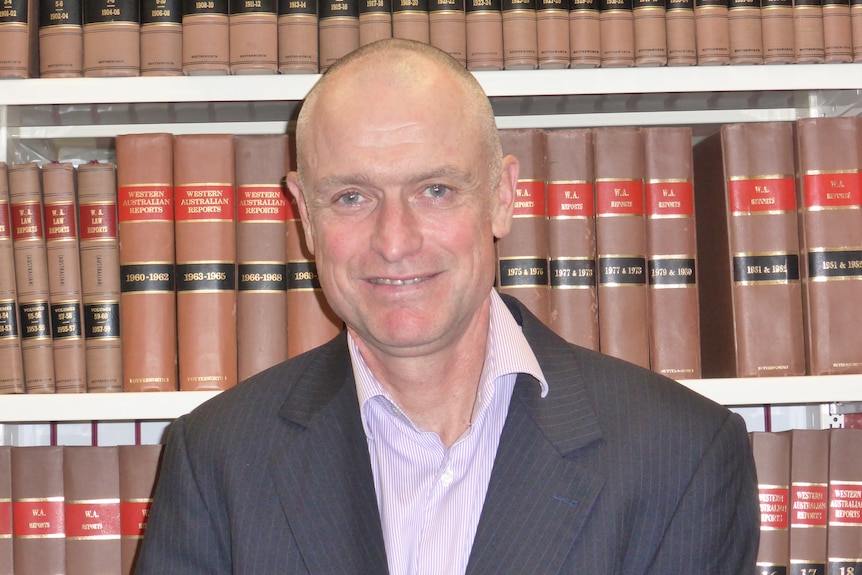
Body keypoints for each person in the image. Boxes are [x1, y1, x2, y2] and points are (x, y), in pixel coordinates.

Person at [134, 38, 760, 575]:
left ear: (501, 198)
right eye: (352, 197)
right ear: (304, 215)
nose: (395, 241)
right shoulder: (216, 458)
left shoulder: (683, 455)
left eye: (435, 190)